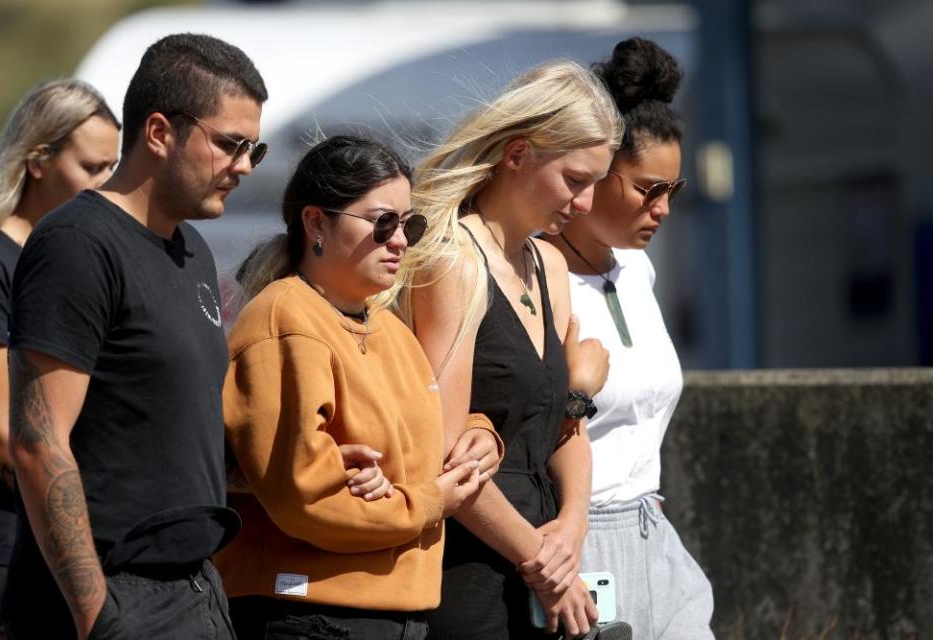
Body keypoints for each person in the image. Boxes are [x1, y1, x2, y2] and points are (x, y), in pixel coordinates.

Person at [2, 34, 268, 640]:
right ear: (158, 133)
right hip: (115, 596)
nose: (246, 167)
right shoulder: (77, 243)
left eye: (255, 148)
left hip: (197, 589)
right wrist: (99, 616)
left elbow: (167, 434)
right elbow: (39, 444)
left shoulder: (192, 250)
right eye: (231, 144)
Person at [218, 135, 498, 640]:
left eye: (409, 224)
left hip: (389, 613)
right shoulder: (287, 320)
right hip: (312, 614)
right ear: (316, 223)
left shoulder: (388, 329)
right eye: (382, 222)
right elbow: (308, 495)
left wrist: (479, 439)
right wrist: (427, 502)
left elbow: (416, 437)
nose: (400, 241)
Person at [384, 60, 623, 639]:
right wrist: (543, 563)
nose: (586, 204)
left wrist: (571, 528)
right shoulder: (452, 260)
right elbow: (447, 457)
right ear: (517, 155)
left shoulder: (553, 265)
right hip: (470, 570)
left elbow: (566, 423)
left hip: (541, 566)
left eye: (595, 183)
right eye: (574, 180)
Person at [543, 38, 715, 639]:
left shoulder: (637, 268)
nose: (663, 209)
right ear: (591, 174)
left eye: (674, 190)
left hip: (654, 531)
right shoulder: (535, 276)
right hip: (575, 547)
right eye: (648, 189)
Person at [0, 79, 119, 640]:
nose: (107, 182)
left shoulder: (79, 261)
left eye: (114, 165)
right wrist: (76, 526)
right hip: (9, 553)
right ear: (37, 161)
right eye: (91, 167)